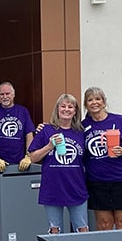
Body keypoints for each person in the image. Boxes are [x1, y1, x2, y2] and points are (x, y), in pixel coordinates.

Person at [27, 93, 89, 233]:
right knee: (55, 230)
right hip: (53, 187)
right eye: (63, 106)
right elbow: (32, 157)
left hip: (76, 187)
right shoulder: (46, 130)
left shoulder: (81, 132)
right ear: (57, 109)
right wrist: (49, 146)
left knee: (82, 228)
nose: (66, 109)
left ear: (75, 111)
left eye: (70, 106)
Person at [81, 86, 122, 230]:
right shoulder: (83, 125)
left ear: (104, 102)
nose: (94, 102)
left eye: (98, 99)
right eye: (90, 100)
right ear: (85, 104)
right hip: (97, 181)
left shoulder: (118, 120)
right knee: (104, 223)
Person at [0, 81, 34, 172]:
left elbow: (29, 135)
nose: (5, 97)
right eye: (2, 94)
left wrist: (28, 156)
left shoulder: (23, 111)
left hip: (19, 163)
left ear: (13, 94)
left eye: (7, 94)